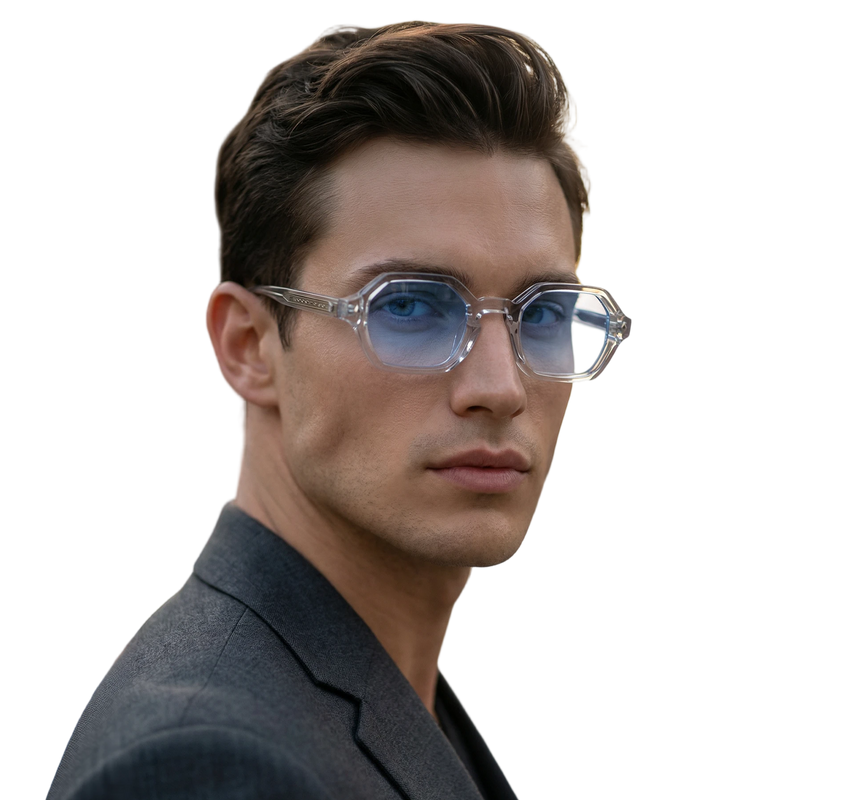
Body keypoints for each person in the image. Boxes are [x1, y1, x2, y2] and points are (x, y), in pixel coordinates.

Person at [45, 18, 632, 799]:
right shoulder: (204, 765)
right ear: (248, 346)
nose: (500, 386)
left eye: (544, 313)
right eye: (411, 306)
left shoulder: (379, 692)